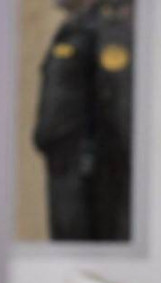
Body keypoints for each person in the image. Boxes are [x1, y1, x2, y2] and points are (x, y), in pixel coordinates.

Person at [34, 0, 132, 241]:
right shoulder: (72, 30)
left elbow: (117, 101)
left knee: (84, 243)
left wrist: (109, 160)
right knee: (66, 240)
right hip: (66, 162)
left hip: (89, 167)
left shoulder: (106, 30)